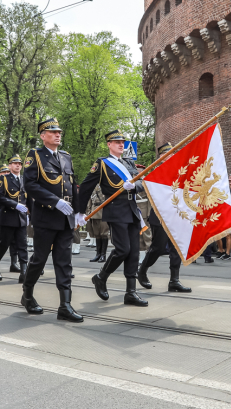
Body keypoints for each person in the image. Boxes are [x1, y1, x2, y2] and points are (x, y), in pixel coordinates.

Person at [21, 117, 82, 322]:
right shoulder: (35, 156)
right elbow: (30, 185)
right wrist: (55, 201)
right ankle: (27, 294)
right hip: (46, 217)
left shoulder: (65, 157)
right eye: (53, 132)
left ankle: (65, 305)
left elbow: (72, 185)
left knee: (64, 261)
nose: (58, 135)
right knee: (39, 259)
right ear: (43, 136)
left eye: (59, 132)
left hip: (65, 218)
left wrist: (78, 211)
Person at [79, 130, 149, 307]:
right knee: (123, 250)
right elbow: (86, 186)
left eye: (122, 142)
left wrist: (134, 186)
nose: (121, 144)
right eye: (117, 142)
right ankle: (101, 277)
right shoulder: (102, 163)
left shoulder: (128, 162)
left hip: (132, 210)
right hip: (116, 210)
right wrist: (79, 212)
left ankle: (131, 292)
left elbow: (142, 181)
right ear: (109, 144)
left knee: (133, 252)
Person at [138, 142, 191, 291]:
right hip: (160, 215)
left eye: (172, 153)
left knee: (176, 248)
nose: (171, 156)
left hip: (176, 215)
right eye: (167, 154)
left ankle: (174, 280)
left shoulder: (180, 170)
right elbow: (145, 185)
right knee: (158, 248)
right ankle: (142, 271)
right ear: (161, 156)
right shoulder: (157, 171)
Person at [0, 156, 29, 281]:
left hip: (21, 218)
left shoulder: (24, 179)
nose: (17, 165)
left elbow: (28, 198)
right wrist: (15, 205)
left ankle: (24, 272)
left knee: (22, 245)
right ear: (10, 166)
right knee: (4, 243)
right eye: (14, 163)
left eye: (19, 163)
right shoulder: (4, 179)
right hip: (8, 216)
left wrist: (31, 215)